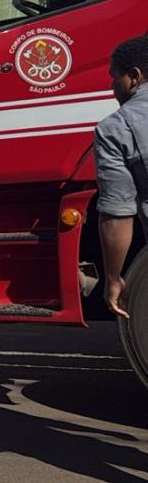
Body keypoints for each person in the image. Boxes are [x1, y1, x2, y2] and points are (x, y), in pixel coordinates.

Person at [96, 35, 148, 317]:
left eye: (113, 77)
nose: (111, 86)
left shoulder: (116, 128)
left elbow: (117, 214)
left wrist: (113, 279)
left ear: (134, 77)